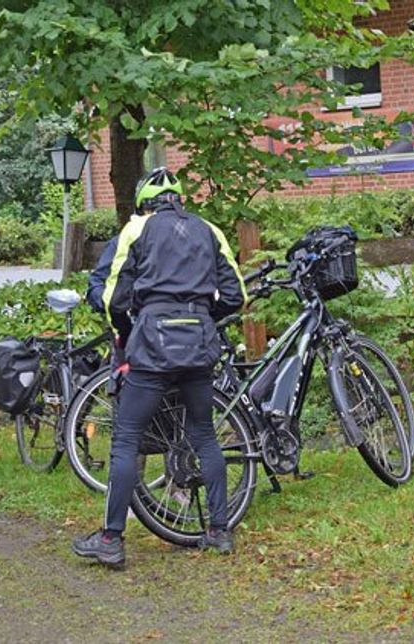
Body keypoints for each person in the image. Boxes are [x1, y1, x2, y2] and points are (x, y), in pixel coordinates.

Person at [72, 167, 246, 567]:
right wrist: (203, 315)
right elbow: (236, 295)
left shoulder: (137, 230)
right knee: (204, 433)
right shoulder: (208, 229)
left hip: (153, 345)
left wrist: (130, 332)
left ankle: (111, 538)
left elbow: (115, 296)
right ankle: (219, 530)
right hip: (199, 344)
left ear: (144, 203)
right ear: (180, 199)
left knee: (127, 438)